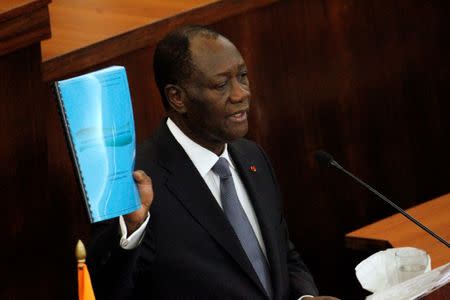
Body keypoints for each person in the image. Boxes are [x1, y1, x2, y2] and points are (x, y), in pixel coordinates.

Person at [88, 25, 339, 300]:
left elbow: (284, 255)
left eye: (242, 76)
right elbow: (111, 290)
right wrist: (133, 230)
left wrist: (304, 298)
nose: (240, 93)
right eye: (221, 85)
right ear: (177, 97)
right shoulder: (136, 181)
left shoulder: (253, 157)